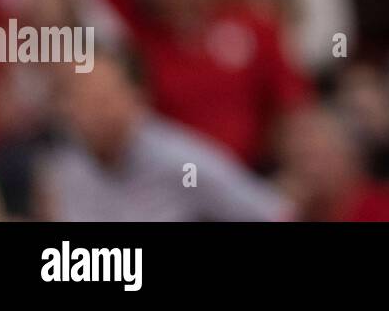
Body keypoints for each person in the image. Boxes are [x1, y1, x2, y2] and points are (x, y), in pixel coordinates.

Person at [38, 50, 292, 222]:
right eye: (82, 102)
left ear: (136, 98)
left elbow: (272, 210)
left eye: (104, 99)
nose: (95, 114)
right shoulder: (66, 170)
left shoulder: (179, 161)